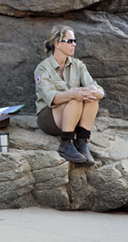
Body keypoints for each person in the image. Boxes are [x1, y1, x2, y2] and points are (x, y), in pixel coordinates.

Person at [34, 25, 106, 165]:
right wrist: (73, 93)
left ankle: (81, 142)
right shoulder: (42, 68)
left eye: (75, 40)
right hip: (49, 118)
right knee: (75, 99)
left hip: (73, 116)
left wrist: (97, 93)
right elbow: (51, 97)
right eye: (70, 41)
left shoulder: (78, 65)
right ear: (57, 43)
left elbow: (95, 86)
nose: (74, 44)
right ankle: (66, 144)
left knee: (91, 97)